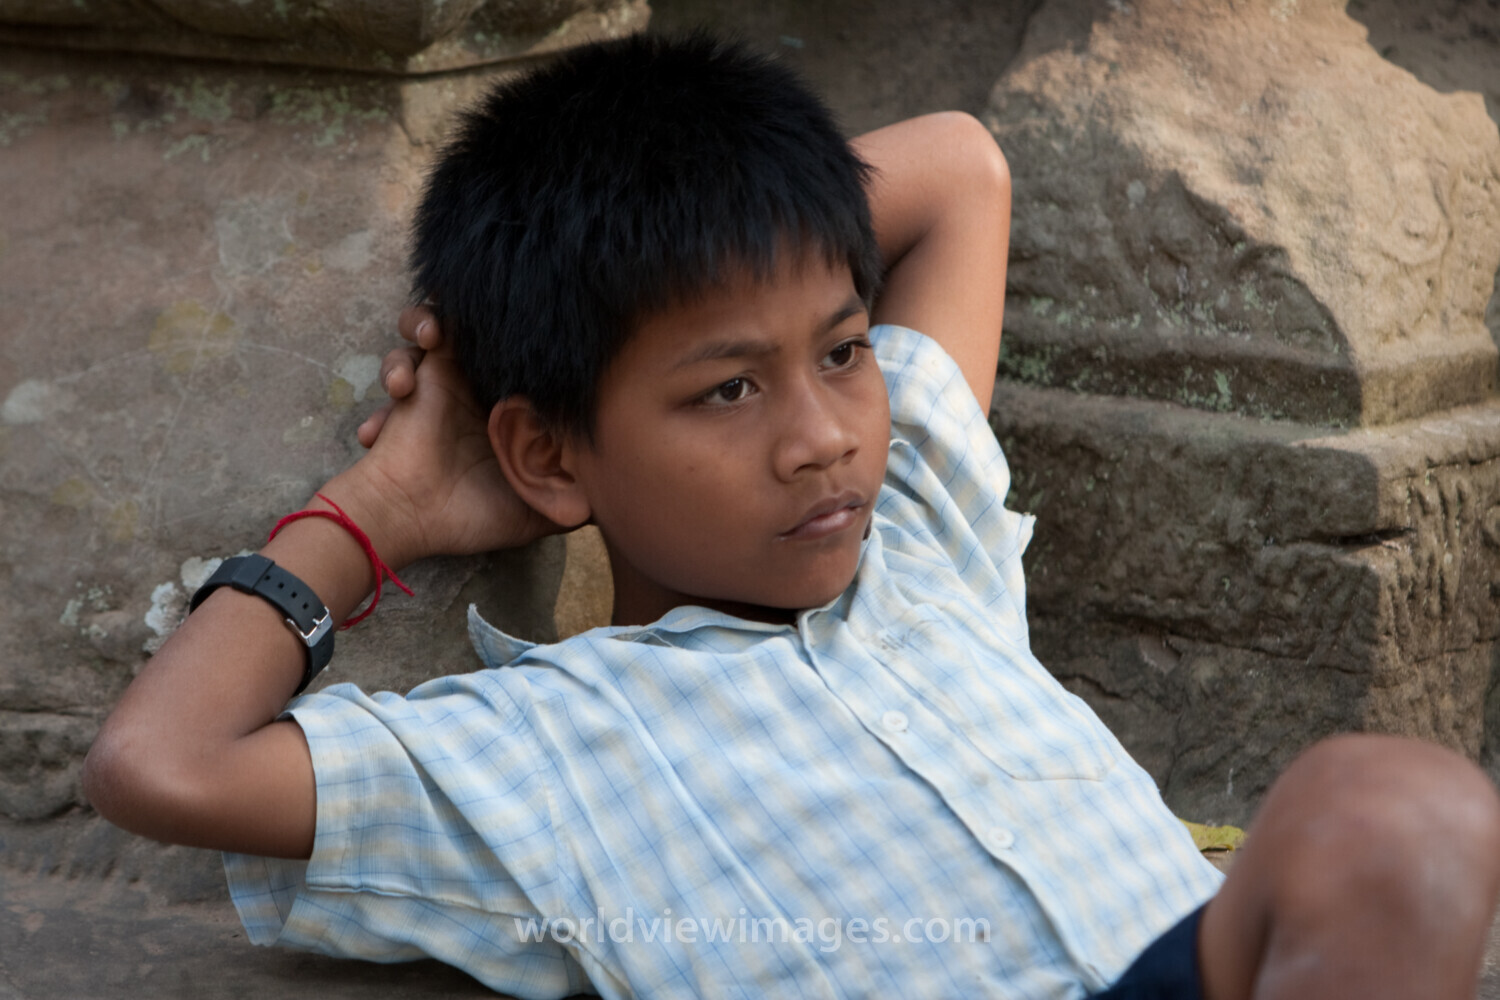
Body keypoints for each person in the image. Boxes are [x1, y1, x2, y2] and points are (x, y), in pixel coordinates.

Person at [83, 31, 1500, 1000]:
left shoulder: (919, 539)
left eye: (839, 350)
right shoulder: (539, 752)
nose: (823, 435)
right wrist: (382, 502)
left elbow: (958, 169)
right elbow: (160, 763)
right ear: (550, 460)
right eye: (725, 392)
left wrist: (745, 227)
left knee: (1400, 819)